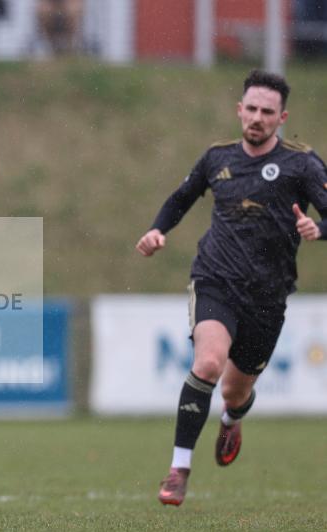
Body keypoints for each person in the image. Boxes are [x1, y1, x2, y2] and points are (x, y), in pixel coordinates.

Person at [136, 70, 327, 507]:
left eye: (268, 112)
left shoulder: (302, 163)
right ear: (239, 110)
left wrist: (317, 227)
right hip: (215, 280)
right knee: (207, 364)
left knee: (234, 391)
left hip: (268, 295)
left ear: (282, 118)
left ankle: (232, 418)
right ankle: (179, 468)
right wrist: (156, 230)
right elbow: (180, 198)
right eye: (252, 109)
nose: (258, 118)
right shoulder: (216, 158)